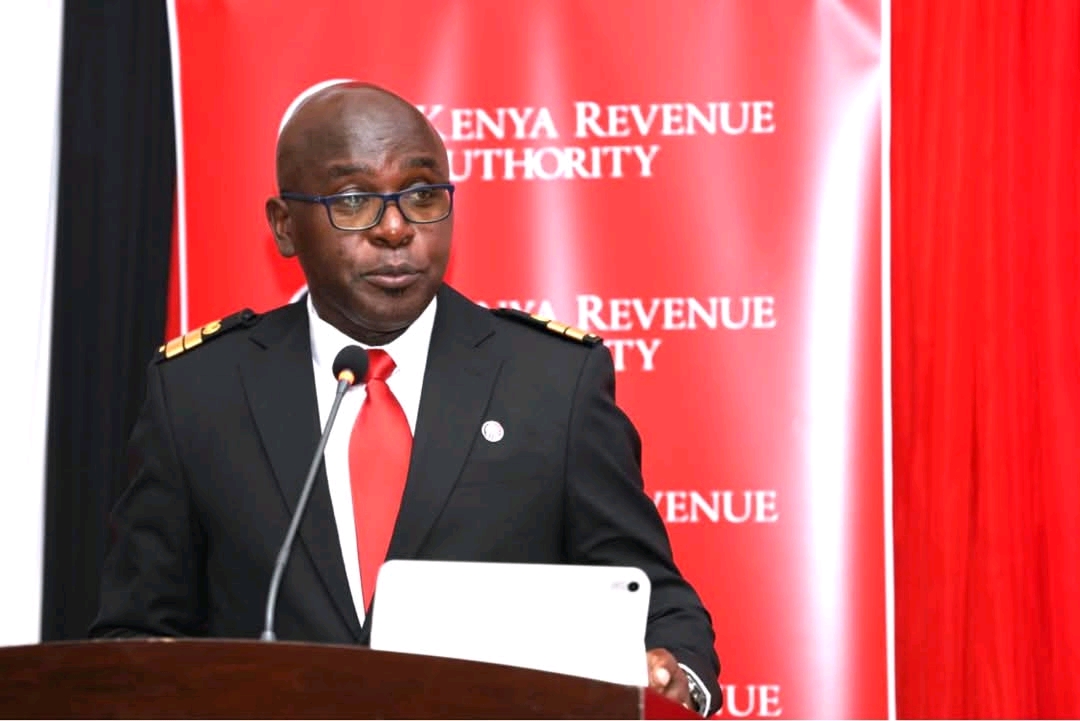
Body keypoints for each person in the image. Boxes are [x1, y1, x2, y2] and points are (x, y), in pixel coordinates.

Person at [90, 82, 721, 715]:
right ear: (285, 226)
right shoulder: (199, 394)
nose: (395, 229)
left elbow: (660, 606)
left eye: (422, 195)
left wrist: (673, 676)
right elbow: (133, 635)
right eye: (353, 200)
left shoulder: (552, 384)